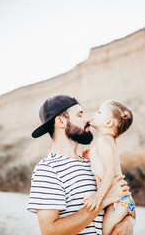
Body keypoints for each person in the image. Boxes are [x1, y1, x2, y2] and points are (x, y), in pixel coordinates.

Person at [27, 95, 136, 235]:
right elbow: (50, 231)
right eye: (80, 115)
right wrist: (102, 202)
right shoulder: (48, 170)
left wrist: (129, 222)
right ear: (60, 121)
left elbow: (122, 200)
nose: (87, 119)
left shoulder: (93, 163)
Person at [83, 100, 135, 235]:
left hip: (117, 202)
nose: (95, 114)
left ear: (108, 123)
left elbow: (110, 172)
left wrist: (97, 197)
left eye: (99, 112)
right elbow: (104, 165)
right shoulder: (109, 142)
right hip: (122, 201)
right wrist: (91, 156)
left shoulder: (103, 141)